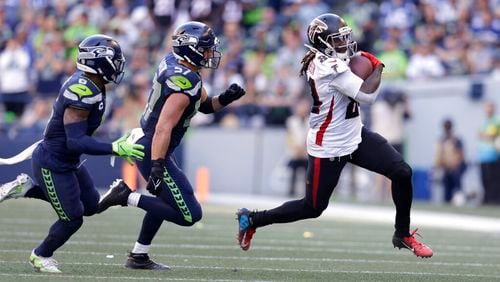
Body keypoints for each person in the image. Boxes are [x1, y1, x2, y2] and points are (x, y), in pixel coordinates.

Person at [236, 13, 433, 258]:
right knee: (313, 207)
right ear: (323, 43)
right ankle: (252, 219)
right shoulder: (328, 68)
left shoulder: (330, 59)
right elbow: (368, 96)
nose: (345, 44)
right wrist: (378, 65)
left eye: (345, 38)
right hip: (328, 145)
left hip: (354, 136)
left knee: (402, 172)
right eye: (338, 40)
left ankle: (402, 233)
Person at [96, 21, 246, 269]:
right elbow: (164, 127)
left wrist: (226, 98)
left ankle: (139, 255)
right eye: (206, 48)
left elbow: (206, 106)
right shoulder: (184, 81)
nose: (210, 54)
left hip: (153, 143)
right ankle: (126, 197)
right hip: (154, 146)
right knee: (190, 214)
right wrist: (156, 166)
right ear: (191, 49)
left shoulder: (179, 65)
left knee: (166, 200)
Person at [0, 34, 144, 273]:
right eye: (115, 59)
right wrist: (114, 147)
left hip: (68, 160)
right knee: (72, 218)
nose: (119, 64)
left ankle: (27, 188)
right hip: (52, 163)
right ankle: (40, 255)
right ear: (99, 62)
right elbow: (76, 141)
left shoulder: (93, 84)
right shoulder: (82, 89)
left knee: (89, 206)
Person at [434, 118, 466, 203]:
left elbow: (461, 155)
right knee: (446, 181)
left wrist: (454, 164)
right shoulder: (442, 140)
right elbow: (439, 156)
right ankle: (447, 198)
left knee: (456, 176)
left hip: (457, 166)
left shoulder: (456, 140)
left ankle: (459, 195)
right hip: (446, 166)